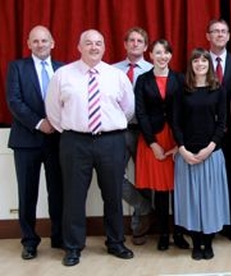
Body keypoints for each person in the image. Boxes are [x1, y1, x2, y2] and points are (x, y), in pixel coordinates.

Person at [45, 29, 135, 266]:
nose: (94, 47)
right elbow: (53, 111)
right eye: (89, 43)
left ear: (104, 47)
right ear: (79, 47)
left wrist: (107, 128)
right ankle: (73, 246)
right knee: (73, 196)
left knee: (113, 195)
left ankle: (116, 242)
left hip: (111, 141)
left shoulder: (116, 76)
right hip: (75, 142)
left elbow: (128, 108)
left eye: (98, 43)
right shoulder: (62, 75)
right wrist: (74, 130)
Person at [6, 25, 64, 260]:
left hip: (57, 141)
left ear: (53, 43)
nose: (40, 45)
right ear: (29, 44)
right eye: (35, 41)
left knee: (58, 192)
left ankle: (59, 237)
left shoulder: (63, 69)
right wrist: (40, 123)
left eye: (44, 40)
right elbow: (14, 101)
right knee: (27, 193)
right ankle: (29, 241)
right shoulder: (17, 67)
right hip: (26, 140)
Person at [172, 48, 229, 260]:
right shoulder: (182, 91)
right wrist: (182, 149)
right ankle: (196, 242)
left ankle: (208, 241)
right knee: (192, 201)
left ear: (209, 65)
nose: (200, 64)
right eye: (196, 60)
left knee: (211, 200)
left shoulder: (218, 90)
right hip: (187, 155)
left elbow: (222, 123)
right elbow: (175, 123)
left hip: (211, 154)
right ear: (191, 65)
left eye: (204, 61)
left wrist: (210, 147)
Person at [134, 39, 190, 251]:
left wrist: (180, 144)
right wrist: (153, 143)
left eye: (166, 52)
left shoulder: (180, 78)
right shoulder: (143, 80)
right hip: (154, 138)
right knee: (161, 190)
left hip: (176, 139)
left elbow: (186, 111)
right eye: (158, 52)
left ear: (171, 56)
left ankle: (179, 232)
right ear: (150, 55)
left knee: (178, 188)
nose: (162, 56)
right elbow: (141, 113)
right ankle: (164, 234)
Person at [112, 27, 155, 245]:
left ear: (146, 47)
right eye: (132, 40)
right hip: (117, 131)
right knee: (112, 175)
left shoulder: (153, 69)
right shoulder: (111, 70)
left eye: (140, 41)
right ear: (125, 44)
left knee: (144, 178)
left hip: (143, 131)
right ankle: (144, 206)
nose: (135, 43)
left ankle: (140, 228)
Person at [207, 18, 231, 243]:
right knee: (208, 181)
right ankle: (208, 226)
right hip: (205, 133)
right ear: (208, 36)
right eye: (215, 31)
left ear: (229, 36)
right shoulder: (199, 61)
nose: (220, 35)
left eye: (224, 31)